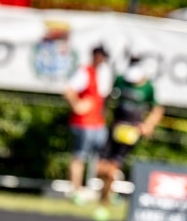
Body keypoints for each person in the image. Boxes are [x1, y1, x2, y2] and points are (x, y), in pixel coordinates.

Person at [93, 55, 164, 210]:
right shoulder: (120, 80)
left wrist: (148, 125)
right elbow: (107, 98)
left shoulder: (148, 87)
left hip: (130, 134)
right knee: (100, 168)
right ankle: (107, 192)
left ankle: (105, 199)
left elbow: (157, 109)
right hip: (114, 129)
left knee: (112, 169)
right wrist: (103, 114)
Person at [62, 45, 111, 203]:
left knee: (101, 159)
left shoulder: (104, 74)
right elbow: (68, 91)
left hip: (98, 123)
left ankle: (104, 193)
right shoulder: (84, 71)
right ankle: (76, 191)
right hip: (83, 123)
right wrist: (77, 105)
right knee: (79, 157)